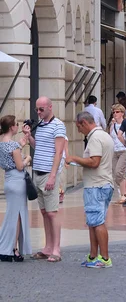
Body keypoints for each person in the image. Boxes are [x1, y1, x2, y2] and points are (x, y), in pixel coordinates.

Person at [66, 112, 114, 268]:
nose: (79, 131)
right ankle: (93, 255)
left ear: (84, 123)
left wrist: (74, 158)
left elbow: (94, 162)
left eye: (79, 127)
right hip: (103, 183)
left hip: (96, 185)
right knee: (93, 222)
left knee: (98, 222)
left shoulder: (94, 138)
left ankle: (105, 258)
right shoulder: (105, 135)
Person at [23, 97, 66, 263]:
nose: (39, 113)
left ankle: (56, 249)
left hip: (49, 173)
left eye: (41, 109)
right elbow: (38, 146)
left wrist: (53, 176)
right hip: (38, 172)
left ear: (50, 107)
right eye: (37, 110)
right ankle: (48, 247)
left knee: (52, 213)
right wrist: (29, 136)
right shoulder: (40, 125)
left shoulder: (58, 125)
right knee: (44, 212)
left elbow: (58, 152)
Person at [0, 116, 32, 262]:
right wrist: (28, 159)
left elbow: (12, 153)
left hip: (8, 180)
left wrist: (23, 141)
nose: (18, 126)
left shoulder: (2, 143)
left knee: (12, 215)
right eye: (16, 124)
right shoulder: (13, 146)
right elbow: (20, 166)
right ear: (12, 127)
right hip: (18, 182)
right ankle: (12, 249)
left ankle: (8, 248)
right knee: (17, 216)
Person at [108, 104, 126, 204]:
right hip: (114, 151)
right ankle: (123, 193)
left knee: (119, 171)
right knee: (116, 174)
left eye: (117, 112)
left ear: (122, 113)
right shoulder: (113, 125)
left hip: (123, 150)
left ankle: (124, 194)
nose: (115, 114)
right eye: (114, 112)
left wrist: (125, 144)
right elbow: (110, 138)